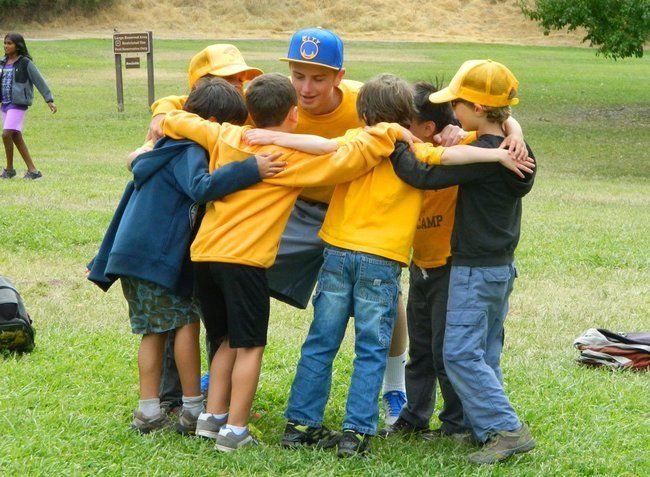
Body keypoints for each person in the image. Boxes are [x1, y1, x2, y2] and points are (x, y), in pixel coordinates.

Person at [259, 73, 534, 457]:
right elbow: (453, 155)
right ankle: (356, 434)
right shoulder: (413, 148)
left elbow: (317, 145)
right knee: (372, 349)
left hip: (337, 252)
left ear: (361, 114)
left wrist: (270, 136)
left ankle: (300, 425)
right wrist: (498, 152)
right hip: (381, 260)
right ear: (408, 119)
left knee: (320, 342)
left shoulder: (356, 141)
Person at [160, 72, 413, 451]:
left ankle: (211, 420)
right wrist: (389, 133)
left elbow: (181, 119)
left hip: (203, 256)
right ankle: (235, 431)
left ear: (249, 111)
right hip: (243, 260)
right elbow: (345, 162)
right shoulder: (288, 160)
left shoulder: (226, 134)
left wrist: (162, 112)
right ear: (294, 114)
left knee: (224, 338)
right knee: (250, 345)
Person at [87, 78, 284, 435]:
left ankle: (149, 409)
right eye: (228, 127)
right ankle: (193, 406)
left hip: (133, 259)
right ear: (210, 122)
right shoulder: (190, 149)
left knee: (152, 332)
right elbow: (201, 188)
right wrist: (249, 169)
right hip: (157, 260)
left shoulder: (161, 147)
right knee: (186, 323)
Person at [389, 59, 537, 464]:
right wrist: (514, 126)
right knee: (484, 353)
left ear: (475, 108)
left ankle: (507, 430)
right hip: (501, 267)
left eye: (457, 103)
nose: (451, 111)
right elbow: (503, 122)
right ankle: (481, 426)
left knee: (458, 353)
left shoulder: (480, 157)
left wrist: (396, 143)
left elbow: (423, 176)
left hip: (473, 267)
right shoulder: (514, 149)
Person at [147, 44, 263, 415]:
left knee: (217, 321)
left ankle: (218, 397)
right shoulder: (185, 119)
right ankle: (172, 398)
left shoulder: (239, 118)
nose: (239, 86)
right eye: (230, 80)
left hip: (218, 236)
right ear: (200, 87)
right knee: (180, 315)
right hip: (180, 235)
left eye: (242, 79)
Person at [0, 32, 56, 180]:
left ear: (18, 46)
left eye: (9, 43)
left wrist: (49, 99)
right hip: (5, 103)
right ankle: (33, 171)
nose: (6, 46)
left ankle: (10, 169)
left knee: (6, 134)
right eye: (5, 43)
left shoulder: (25, 63)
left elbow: (39, 80)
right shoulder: (2, 62)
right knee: (15, 135)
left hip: (18, 104)